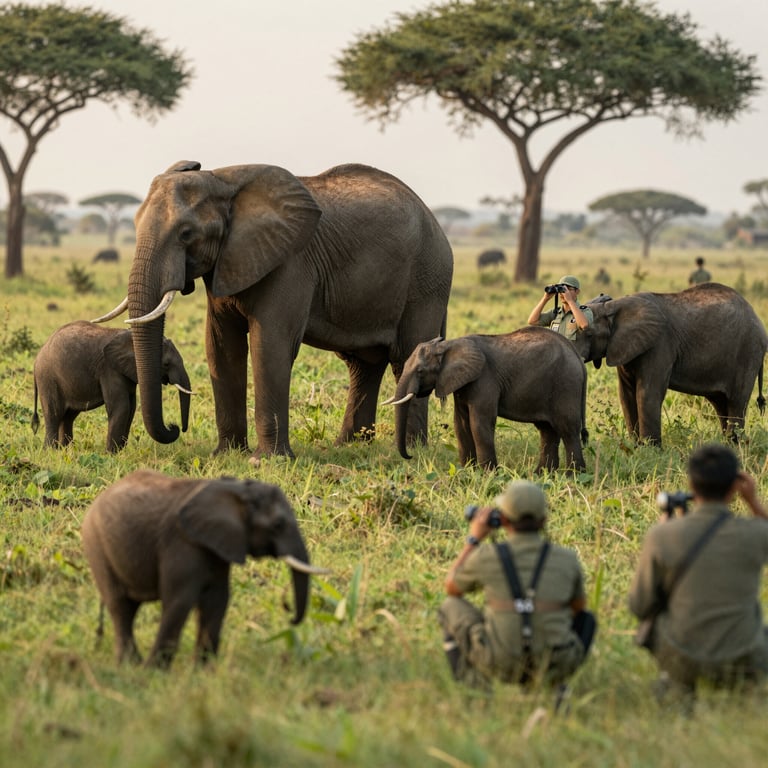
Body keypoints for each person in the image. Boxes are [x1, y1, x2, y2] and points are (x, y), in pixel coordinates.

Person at [628, 444, 768, 700]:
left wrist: (664, 537)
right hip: (744, 659)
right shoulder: (755, 533)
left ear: (691, 485)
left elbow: (639, 606)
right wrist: (754, 502)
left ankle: (674, 685)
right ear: (735, 487)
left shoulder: (661, 536)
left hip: (682, 659)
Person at [439, 480, 596, 689]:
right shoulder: (567, 559)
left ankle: (473, 688)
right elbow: (578, 609)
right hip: (555, 662)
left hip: (499, 661)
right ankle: (558, 684)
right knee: (588, 620)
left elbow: (451, 586)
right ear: (544, 521)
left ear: (502, 519)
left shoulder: (487, 556)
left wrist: (474, 539)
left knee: (450, 606)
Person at [527, 274, 593, 341]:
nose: (563, 293)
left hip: (573, 351)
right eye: (561, 290)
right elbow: (532, 321)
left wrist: (570, 301)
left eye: (568, 289)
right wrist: (545, 299)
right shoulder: (556, 313)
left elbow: (584, 325)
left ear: (577, 292)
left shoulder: (585, 311)